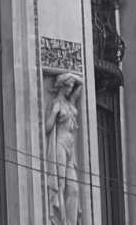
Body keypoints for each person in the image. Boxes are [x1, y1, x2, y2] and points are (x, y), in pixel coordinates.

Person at [45, 71, 83, 224]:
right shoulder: (56, 104)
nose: (71, 89)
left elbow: (82, 83)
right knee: (60, 184)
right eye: (69, 86)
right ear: (62, 86)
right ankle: (63, 220)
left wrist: (71, 76)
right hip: (60, 143)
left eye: (71, 87)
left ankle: (72, 221)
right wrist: (54, 114)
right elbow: (47, 128)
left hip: (71, 147)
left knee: (73, 188)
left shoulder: (70, 102)